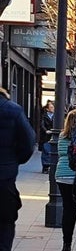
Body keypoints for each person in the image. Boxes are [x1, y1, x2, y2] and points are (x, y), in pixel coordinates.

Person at [0, 87, 35, 251]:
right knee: (5, 224)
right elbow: (28, 142)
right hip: (4, 179)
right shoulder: (13, 110)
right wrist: (15, 161)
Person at [56, 108, 76, 251]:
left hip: (61, 176)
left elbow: (60, 153)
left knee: (68, 211)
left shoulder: (61, 135)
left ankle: (66, 244)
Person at [40, 100, 55, 173]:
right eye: (51, 107)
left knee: (51, 151)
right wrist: (46, 130)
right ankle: (45, 166)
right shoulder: (44, 116)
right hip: (46, 136)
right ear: (47, 109)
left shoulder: (56, 116)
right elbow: (42, 125)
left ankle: (50, 166)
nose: (53, 108)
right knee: (46, 151)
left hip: (52, 135)